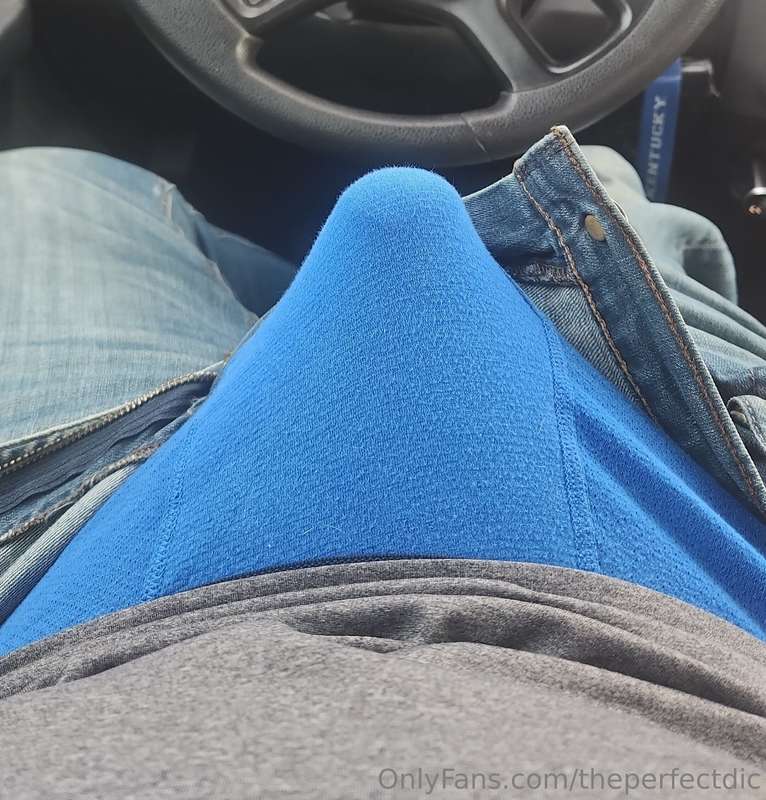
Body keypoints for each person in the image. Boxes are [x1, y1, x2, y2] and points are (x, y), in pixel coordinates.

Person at [0, 127, 764, 798]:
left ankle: (274, 315)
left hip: (83, 579)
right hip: (697, 581)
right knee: (609, 178)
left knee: (52, 182)